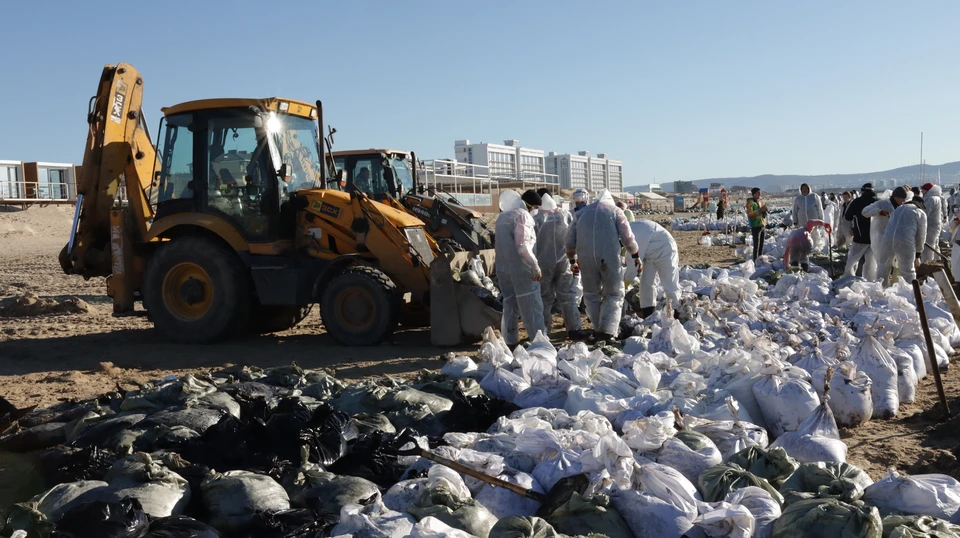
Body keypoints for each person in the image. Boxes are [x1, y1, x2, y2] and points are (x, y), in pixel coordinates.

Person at [566, 189, 640, 342]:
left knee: (591, 294)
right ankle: (607, 331)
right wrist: (635, 255)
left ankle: (598, 327)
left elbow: (569, 241)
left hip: (585, 259)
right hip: (609, 258)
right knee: (613, 293)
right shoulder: (615, 211)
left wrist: (572, 260)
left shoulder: (580, 214)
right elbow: (628, 237)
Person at [494, 189, 547, 346]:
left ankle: (510, 341)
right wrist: (534, 264)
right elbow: (522, 246)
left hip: (504, 269)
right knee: (532, 306)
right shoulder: (523, 216)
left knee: (510, 306)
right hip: (522, 270)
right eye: (536, 207)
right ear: (532, 205)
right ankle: (540, 342)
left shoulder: (502, 217)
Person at [534, 193, 586, 340]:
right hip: (565, 262)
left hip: (543, 263)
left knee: (544, 298)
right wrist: (575, 259)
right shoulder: (565, 215)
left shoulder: (537, 219)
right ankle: (574, 328)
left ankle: (543, 331)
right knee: (568, 296)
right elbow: (574, 236)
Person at [628, 219, 681, 319]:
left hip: (666, 251)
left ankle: (677, 315)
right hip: (651, 253)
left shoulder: (634, 233)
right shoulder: (630, 230)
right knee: (646, 285)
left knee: (670, 284)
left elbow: (632, 263)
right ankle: (649, 317)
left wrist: (624, 283)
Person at [877, 186, 927, 287]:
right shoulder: (920, 213)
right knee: (908, 270)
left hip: (887, 239)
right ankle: (909, 292)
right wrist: (918, 253)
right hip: (905, 241)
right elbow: (921, 236)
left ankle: (880, 290)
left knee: (884, 266)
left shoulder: (898, 209)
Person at [842, 183, 878, 280]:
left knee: (852, 260)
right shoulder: (878, 202)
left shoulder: (857, 202)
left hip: (860, 236)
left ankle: (848, 278)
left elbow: (847, 217)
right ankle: (869, 282)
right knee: (871, 262)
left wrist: (850, 231)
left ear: (862, 191)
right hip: (875, 237)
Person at [861, 190, 897, 276]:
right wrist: (878, 211)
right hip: (880, 237)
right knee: (882, 263)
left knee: (891, 263)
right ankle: (882, 284)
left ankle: (888, 282)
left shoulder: (901, 206)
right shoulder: (882, 204)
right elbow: (865, 212)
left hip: (894, 239)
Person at [921, 182, 944, 261]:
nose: (922, 192)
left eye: (923, 190)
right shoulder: (936, 198)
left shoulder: (930, 199)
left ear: (927, 190)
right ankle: (938, 263)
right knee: (935, 245)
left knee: (928, 248)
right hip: (936, 226)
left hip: (930, 226)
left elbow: (925, 213)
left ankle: (928, 264)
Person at [746, 188, 768, 261]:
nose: (760, 194)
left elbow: (762, 211)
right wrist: (760, 210)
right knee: (756, 245)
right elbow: (750, 213)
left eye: (760, 193)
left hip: (762, 225)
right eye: (758, 193)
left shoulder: (760, 202)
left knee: (761, 244)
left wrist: (765, 210)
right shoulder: (750, 203)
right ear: (754, 194)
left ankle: (760, 259)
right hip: (755, 225)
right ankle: (755, 260)